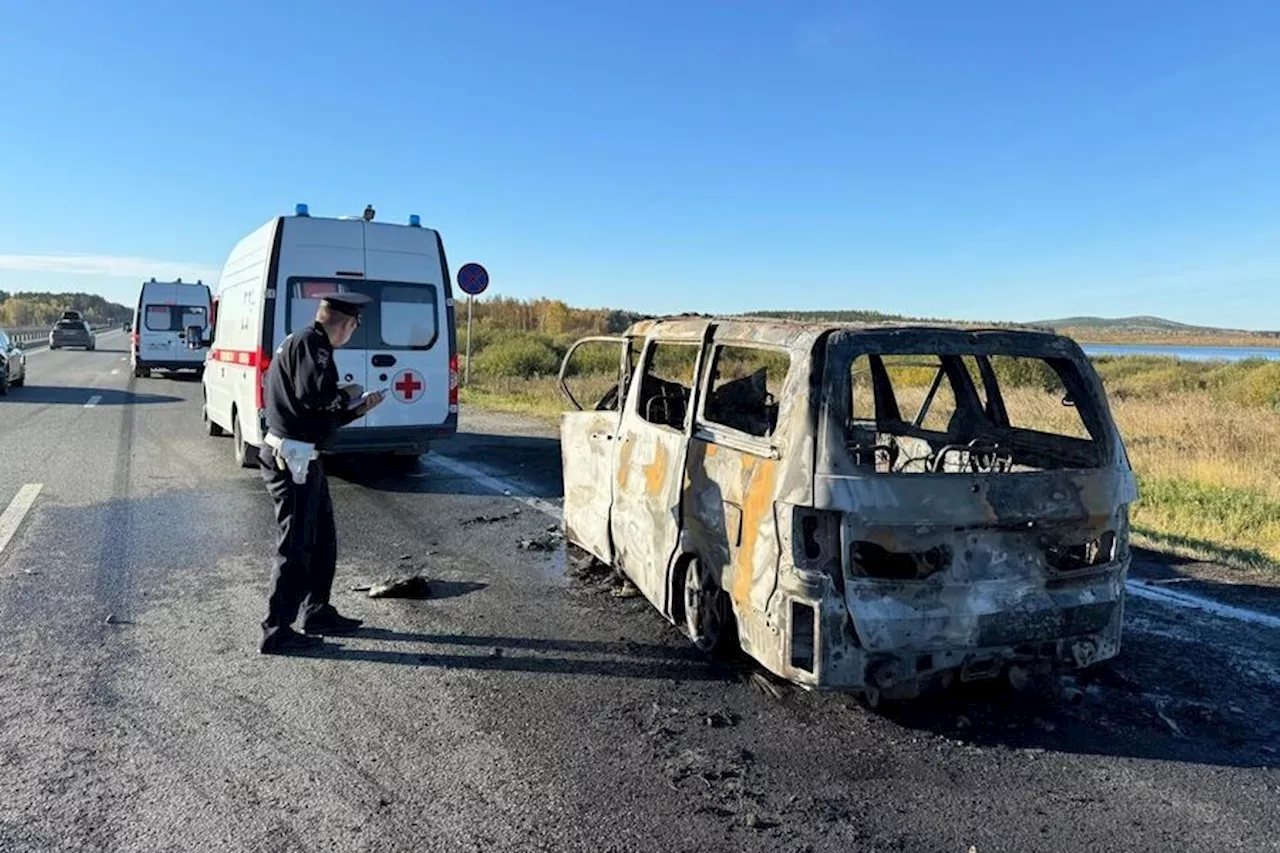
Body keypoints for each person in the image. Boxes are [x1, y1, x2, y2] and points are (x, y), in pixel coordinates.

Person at [258, 292, 386, 654]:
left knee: (321, 539)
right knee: (296, 546)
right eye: (354, 326)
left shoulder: (303, 343)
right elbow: (315, 398)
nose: (352, 333)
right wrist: (347, 397)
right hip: (292, 459)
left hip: (304, 456)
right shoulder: (314, 346)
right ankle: (276, 630)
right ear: (345, 323)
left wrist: (355, 409)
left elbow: (313, 410)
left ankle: (317, 610)